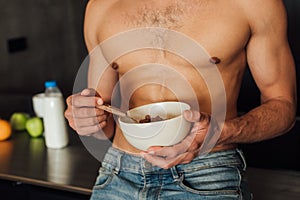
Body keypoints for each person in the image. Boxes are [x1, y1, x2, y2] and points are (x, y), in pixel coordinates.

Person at [64, 0, 296, 199]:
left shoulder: (252, 4)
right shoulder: (102, 6)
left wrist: (223, 131)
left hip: (207, 172)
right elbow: (102, 123)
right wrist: (87, 119)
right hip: (119, 173)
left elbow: (284, 106)